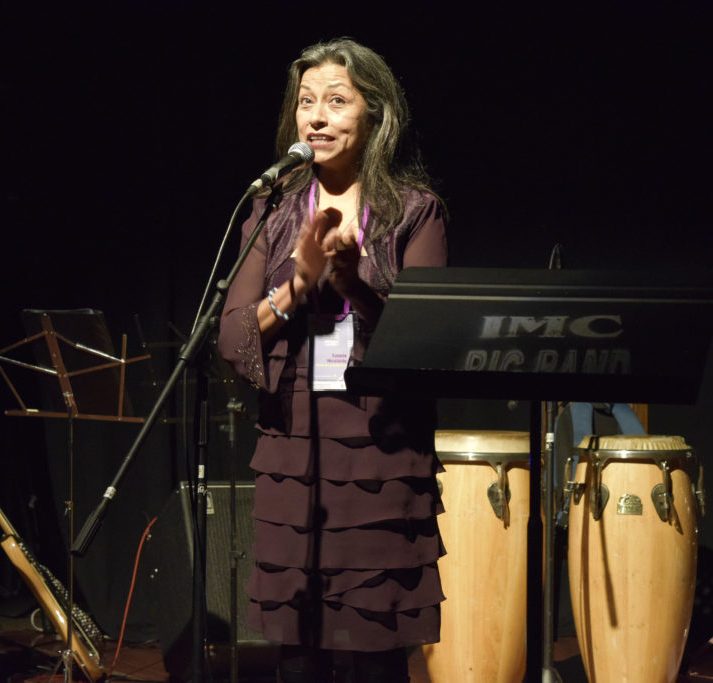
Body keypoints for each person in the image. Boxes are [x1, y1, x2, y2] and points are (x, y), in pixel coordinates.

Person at [217, 38, 448, 683]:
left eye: (336, 101)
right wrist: (300, 283)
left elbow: (430, 343)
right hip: (293, 445)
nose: (315, 117)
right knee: (299, 651)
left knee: (375, 650)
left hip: (380, 448)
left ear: (374, 115)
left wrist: (353, 285)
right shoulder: (270, 211)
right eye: (306, 102)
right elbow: (232, 336)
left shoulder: (413, 210)